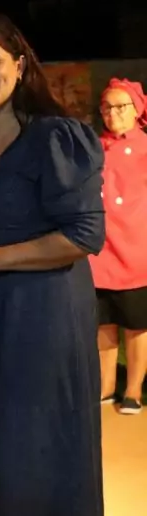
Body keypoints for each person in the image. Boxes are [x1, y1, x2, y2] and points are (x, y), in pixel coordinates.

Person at [0, 14, 105, 516]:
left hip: (47, 314)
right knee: (5, 453)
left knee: (44, 448)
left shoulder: (55, 137)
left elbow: (84, 235)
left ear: (19, 63)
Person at [90, 77, 147, 414]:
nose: (112, 114)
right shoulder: (95, 147)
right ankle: (105, 387)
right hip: (101, 250)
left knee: (137, 324)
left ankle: (134, 389)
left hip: (138, 248)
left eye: (120, 107)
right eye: (107, 107)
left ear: (137, 109)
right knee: (103, 324)